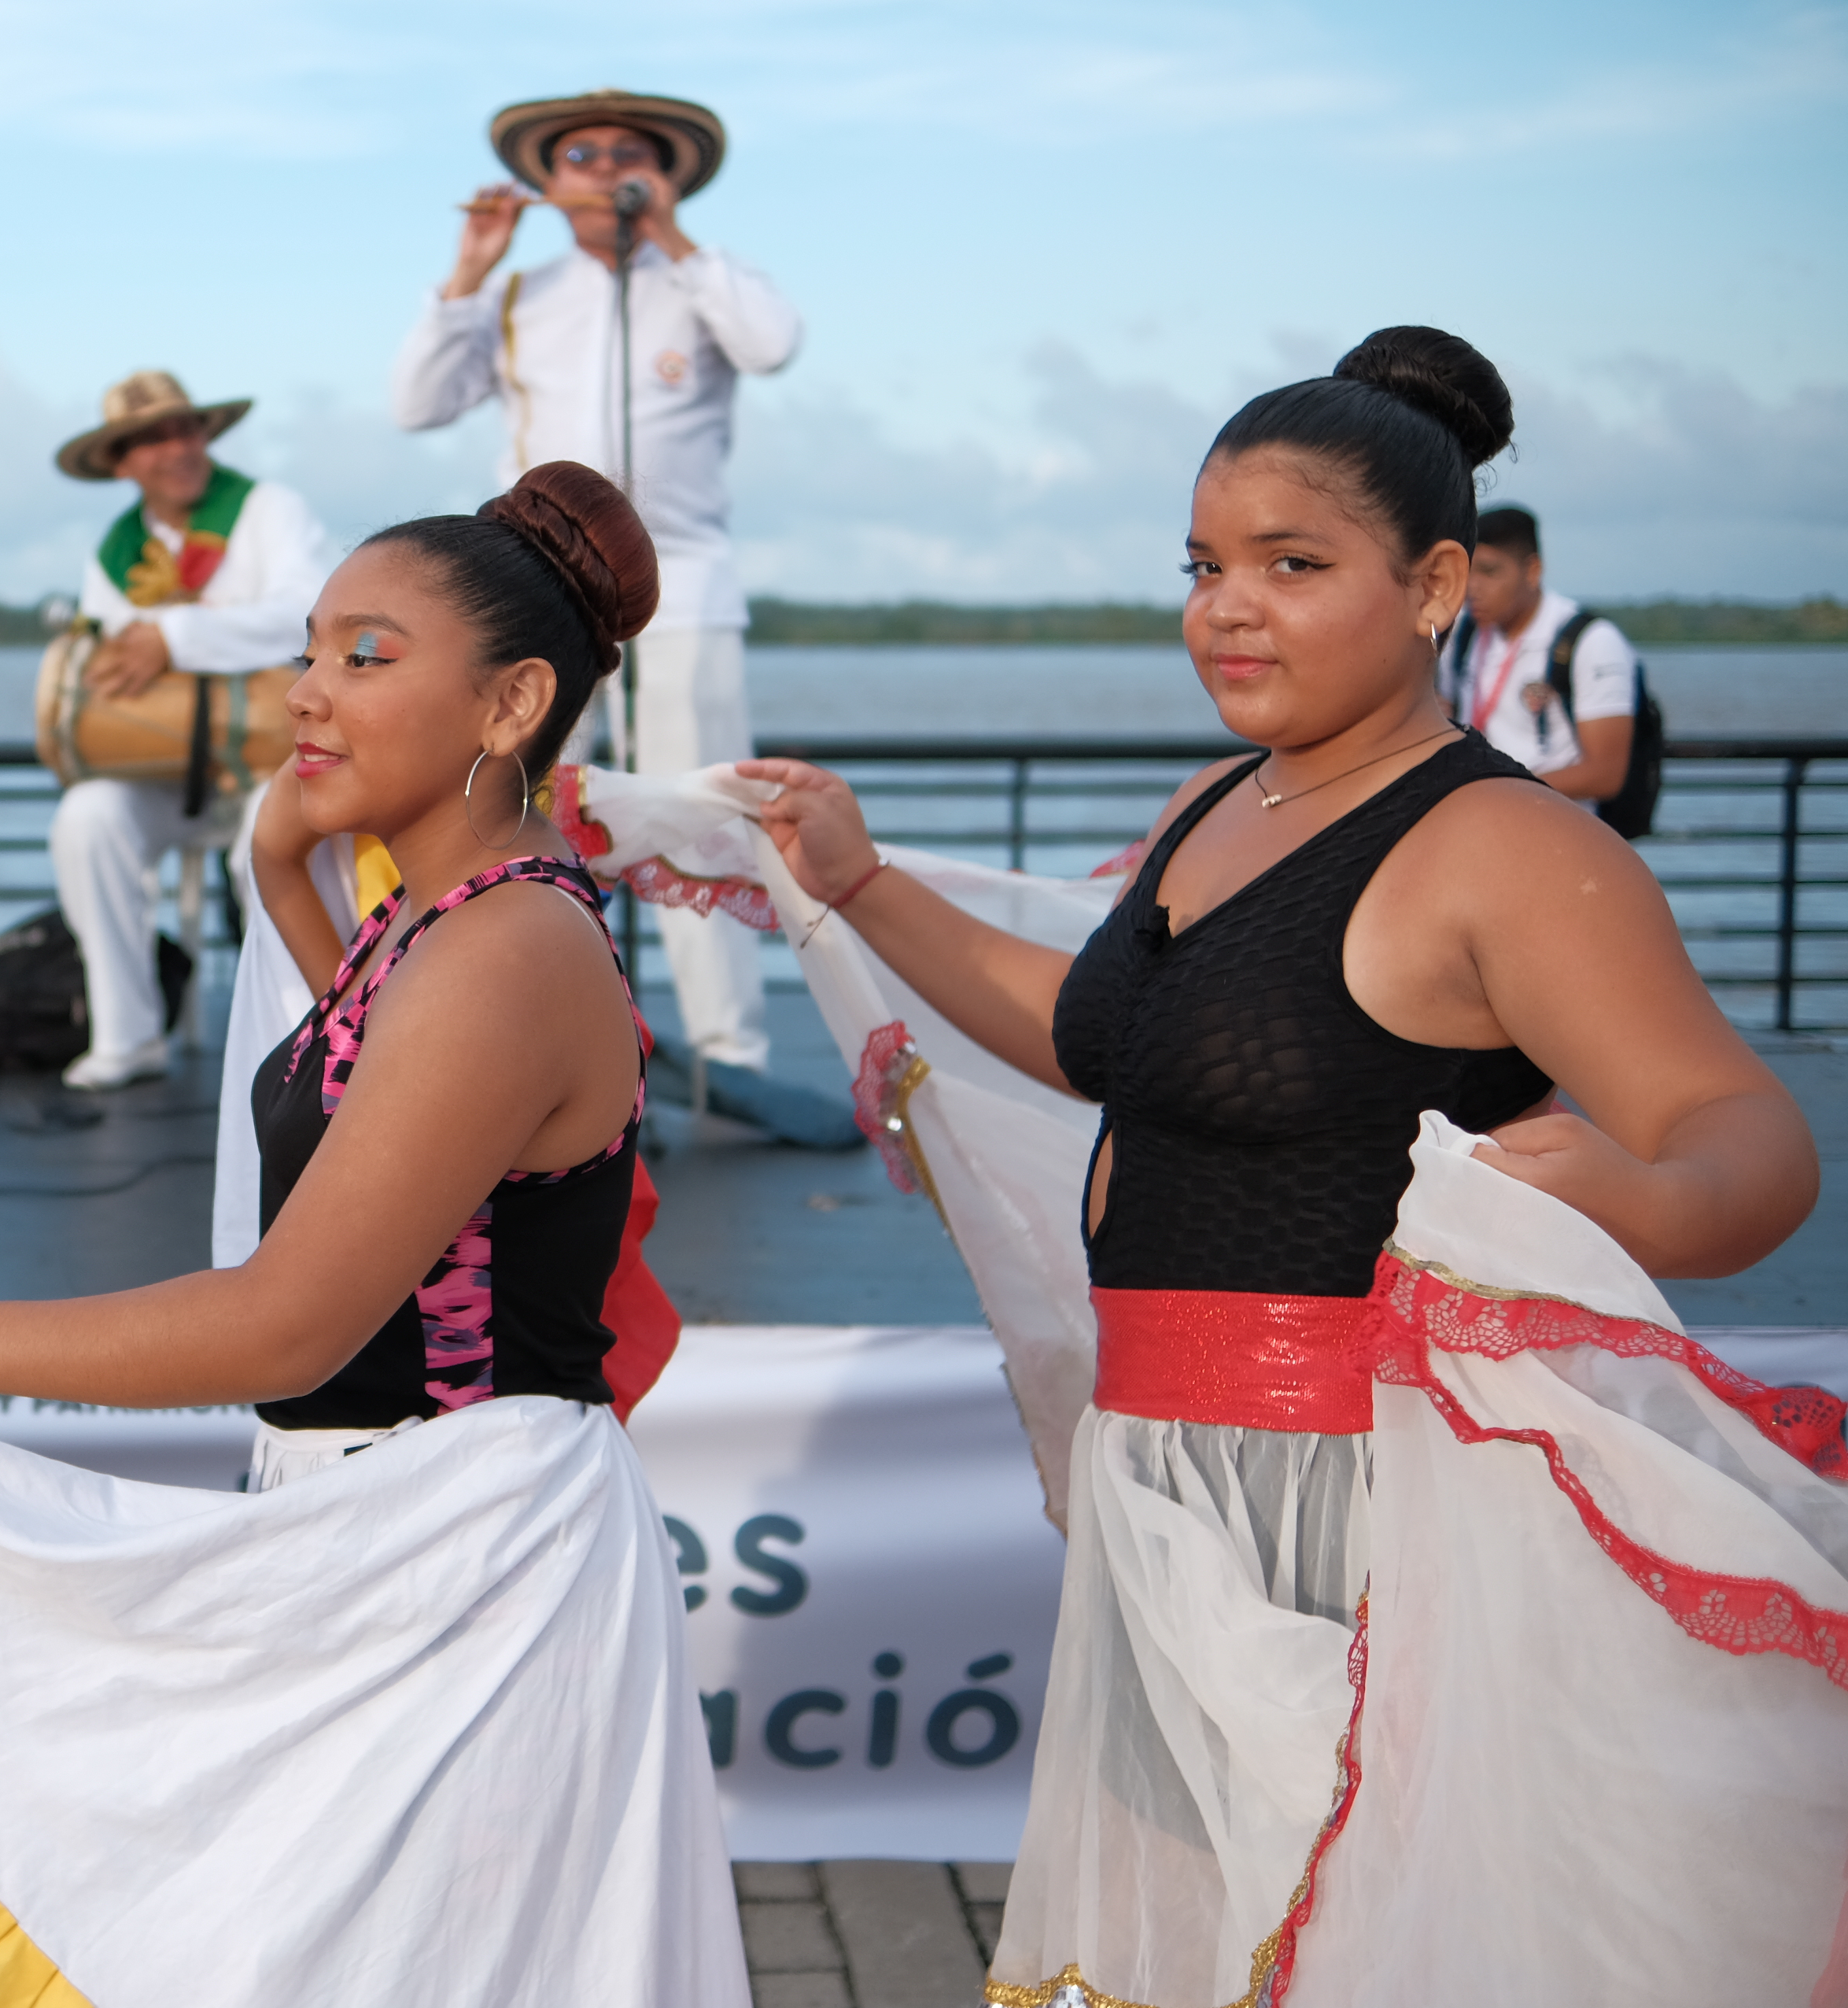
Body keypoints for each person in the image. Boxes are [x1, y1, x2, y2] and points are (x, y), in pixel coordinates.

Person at [742, 328, 1834, 1999]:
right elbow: (1095, 1038)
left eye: (1289, 565)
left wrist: (1614, 1192)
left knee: (1368, 1943)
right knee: (1196, 1944)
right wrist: (863, 883)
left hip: (1367, 1509)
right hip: (1161, 1482)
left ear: (1432, 585)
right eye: (1199, 567)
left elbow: (1745, 1143)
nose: (1222, 608)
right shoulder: (1211, 804)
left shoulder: (1506, 845)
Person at [0, 461, 740, 2003]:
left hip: (459, 1564)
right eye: (304, 649)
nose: (305, 691)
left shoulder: (502, 954)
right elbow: (351, 1055)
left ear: (510, 708)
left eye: (366, 657)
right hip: (383, 1530)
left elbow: (290, 1321)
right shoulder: (431, 926)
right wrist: (276, 850)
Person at [393, 88, 856, 1150]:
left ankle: (728, 1058)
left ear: (668, 173)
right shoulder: (517, 294)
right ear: (549, 183)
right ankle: (545, 1027)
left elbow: (774, 341)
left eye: (629, 154)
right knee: (530, 804)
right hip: (541, 594)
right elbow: (417, 402)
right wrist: (466, 271)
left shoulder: (702, 280)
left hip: (685, 582)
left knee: (710, 810)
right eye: (583, 155)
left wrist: (672, 234)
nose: (605, 168)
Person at [49, 369, 331, 1089]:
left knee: (257, 852)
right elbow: (115, 663)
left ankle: (305, 1037)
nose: (174, 448)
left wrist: (173, 637)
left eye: (183, 429)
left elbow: (310, 615)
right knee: (87, 817)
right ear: (121, 464)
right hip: (173, 767)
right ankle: (127, 1035)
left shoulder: (268, 510)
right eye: (149, 440)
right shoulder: (113, 554)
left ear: (205, 434)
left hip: (277, 753)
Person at [1442, 500, 1643, 803]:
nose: (1472, 587)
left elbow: (1605, 774)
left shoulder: (1591, 641)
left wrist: (1498, 789)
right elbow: (1441, 715)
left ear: (1533, 571)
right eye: (1468, 571)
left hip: (1560, 831)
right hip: (1481, 820)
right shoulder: (1462, 634)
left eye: (1489, 572)